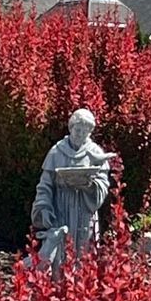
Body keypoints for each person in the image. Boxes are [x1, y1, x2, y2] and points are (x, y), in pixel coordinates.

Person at [31, 108, 114, 269]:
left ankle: (81, 291)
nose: (80, 134)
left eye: (85, 131)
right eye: (77, 130)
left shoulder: (95, 152)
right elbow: (45, 185)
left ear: (90, 132)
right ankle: (56, 289)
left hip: (84, 212)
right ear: (71, 128)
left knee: (84, 255)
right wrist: (44, 207)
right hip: (61, 209)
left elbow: (103, 185)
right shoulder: (56, 152)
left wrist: (90, 186)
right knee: (59, 255)